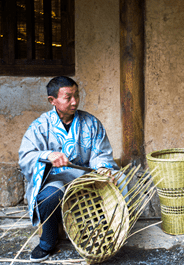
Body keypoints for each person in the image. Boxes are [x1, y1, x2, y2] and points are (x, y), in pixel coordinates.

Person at [19, 76, 119, 262]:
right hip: (55, 178)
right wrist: (48, 156)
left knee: (116, 181)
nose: (75, 102)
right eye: (68, 97)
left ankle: (103, 236)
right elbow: (25, 156)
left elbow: (101, 153)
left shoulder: (91, 123)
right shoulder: (40, 126)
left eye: (77, 95)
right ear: (52, 100)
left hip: (85, 176)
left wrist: (103, 168)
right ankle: (47, 242)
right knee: (48, 197)